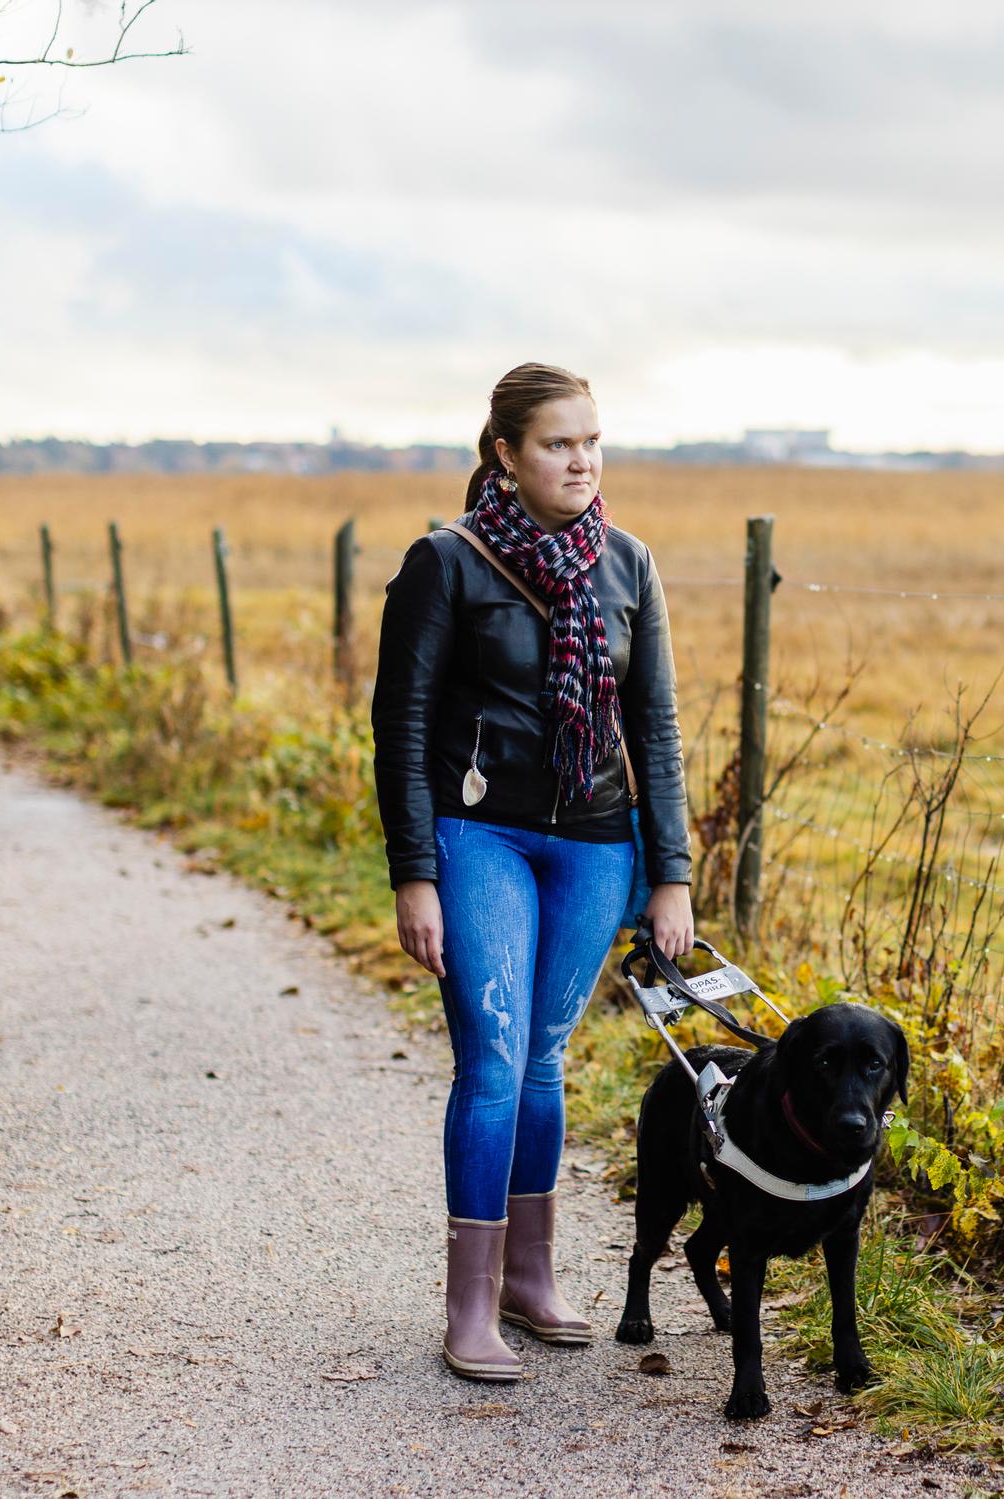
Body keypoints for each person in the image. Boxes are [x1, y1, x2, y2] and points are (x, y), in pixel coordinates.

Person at [372, 362, 695, 1383]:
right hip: (484, 838)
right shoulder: (446, 563)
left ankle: (529, 1274)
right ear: (505, 455)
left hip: (598, 844)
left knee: (545, 1056)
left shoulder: (628, 563)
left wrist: (671, 872)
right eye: (559, 442)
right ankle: (468, 1306)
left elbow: (654, 724)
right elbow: (402, 726)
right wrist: (414, 872)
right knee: (495, 1056)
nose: (581, 459)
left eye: (592, 440)